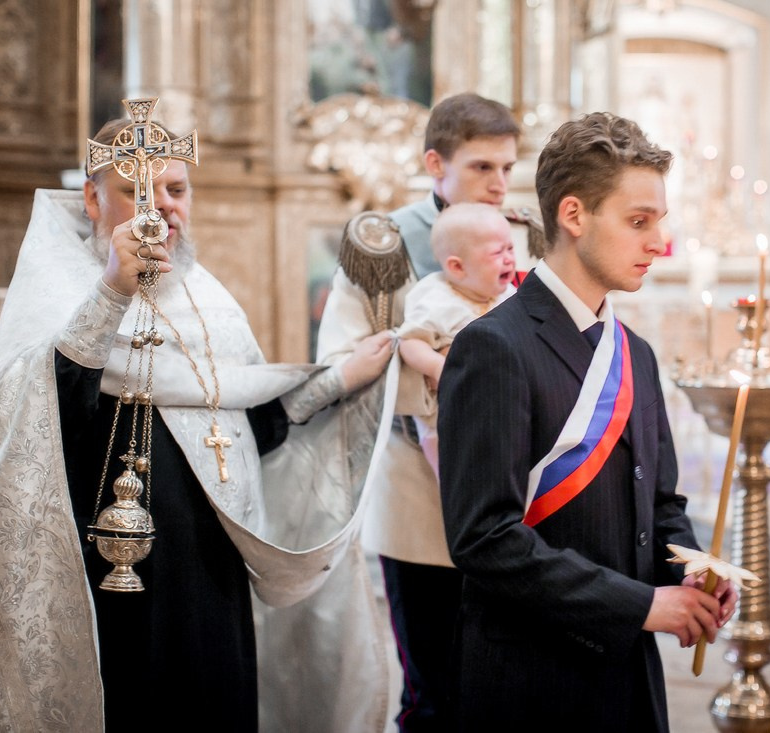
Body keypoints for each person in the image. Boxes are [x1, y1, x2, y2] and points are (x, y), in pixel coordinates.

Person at [0, 116, 394, 732]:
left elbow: (250, 421)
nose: (162, 206)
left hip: (212, 567)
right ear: (90, 198)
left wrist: (338, 381)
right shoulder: (57, 290)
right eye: (139, 188)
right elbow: (40, 417)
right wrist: (112, 290)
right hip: (112, 573)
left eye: (176, 189)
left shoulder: (209, 299)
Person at [436, 112, 740, 732]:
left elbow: (660, 503)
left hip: (626, 672)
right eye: (639, 222)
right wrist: (643, 605)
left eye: (659, 221)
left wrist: (691, 567)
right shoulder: (495, 347)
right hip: (531, 680)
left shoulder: (636, 353)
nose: (659, 243)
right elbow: (484, 539)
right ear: (574, 216)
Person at [310, 92, 524, 733]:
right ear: (436, 162)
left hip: (512, 491)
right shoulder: (381, 245)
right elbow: (342, 361)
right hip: (416, 490)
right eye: (483, 167)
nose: (499, 184)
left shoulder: (521, 237)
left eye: (508, 169)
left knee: (505, 688)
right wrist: (451, 371)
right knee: (433, 694)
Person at [397, 203, 517, 476]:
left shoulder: (508, 295)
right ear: (457, 267)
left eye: (510, 248)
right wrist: (441, 369)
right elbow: (410, 343)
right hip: (445, 417)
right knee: (457, 479)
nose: (509, 259)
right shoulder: (435, 298)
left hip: (496, 408)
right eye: (498, 253)